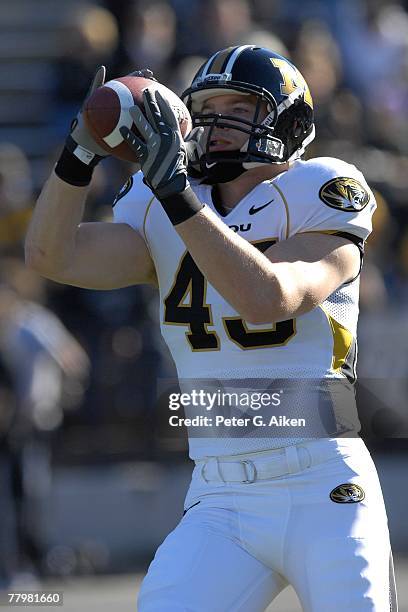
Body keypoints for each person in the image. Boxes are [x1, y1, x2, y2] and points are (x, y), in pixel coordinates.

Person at [25, 45, 397, 611]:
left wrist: (175, 194)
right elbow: (53, 255)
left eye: (237, 107)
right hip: (221, 496)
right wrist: (79, 151)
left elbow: (267, 297)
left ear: (287, 120)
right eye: (207, 107)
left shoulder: (324, 187)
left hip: (323, 480)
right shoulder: (165, 203)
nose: (216, 122)